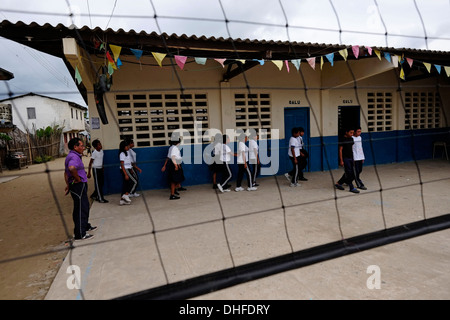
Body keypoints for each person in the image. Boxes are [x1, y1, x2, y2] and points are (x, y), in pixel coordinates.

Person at [64, 137, 96, 241]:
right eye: (81, 146)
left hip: (77, 185)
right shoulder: (74, 157)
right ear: (75, 147)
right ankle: (80, 234)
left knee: (84, 206)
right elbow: (71, 168)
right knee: (81, 208)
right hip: (78, 186)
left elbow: (66, 173)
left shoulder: (73, 155)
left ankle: (85, 225)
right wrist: (78, 178)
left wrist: (68, 184)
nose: (83, 147)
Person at [335, 128, 360, 194]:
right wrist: (341, 160)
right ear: (346, 132)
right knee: (348, 172)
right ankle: (351, 187)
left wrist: (353, 158)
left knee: (351, 172)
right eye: (350, 133)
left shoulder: (351, 139)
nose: (352, 134)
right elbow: (340, 150)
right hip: (345, 158)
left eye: (353, 133)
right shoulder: (342, 139)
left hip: (351, 158)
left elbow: (351, 149)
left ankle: (338, 183)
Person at [119, 140, 137, 205]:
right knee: (134, 181)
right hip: (125, 169)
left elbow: (129, 162)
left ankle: (122, 200)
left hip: (129, 169)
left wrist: (131, 169)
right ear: (123, 147)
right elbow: (122, 164)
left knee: (126, 184)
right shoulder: (122, 154)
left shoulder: (127, 152)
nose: (128, 147)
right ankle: (126, 195)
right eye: (126, 146)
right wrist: (126, 174)